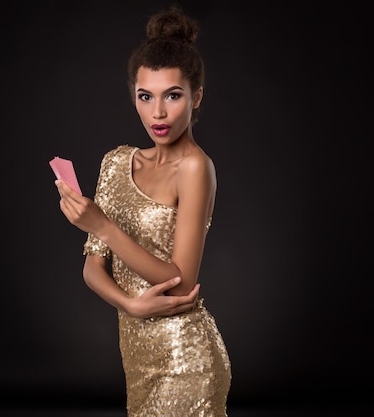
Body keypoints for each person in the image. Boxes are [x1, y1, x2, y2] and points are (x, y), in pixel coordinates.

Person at [55, 5, 231, 416]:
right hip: (137, 359)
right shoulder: (115, 163)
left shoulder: (195, 168)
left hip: (185, 360)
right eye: (145, 96)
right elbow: (92, 267)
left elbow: (181, 280)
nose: (158, 113)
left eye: (173, 95)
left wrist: (101, 223)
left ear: (197, 96)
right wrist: (130, 305)